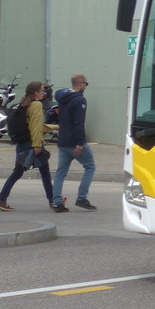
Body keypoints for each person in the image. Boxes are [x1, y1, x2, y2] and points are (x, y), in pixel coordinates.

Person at [0, 82, 55, 211]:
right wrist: (37, 146)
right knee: (44, 173)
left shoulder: (22, 104)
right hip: (32, 144)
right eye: (42, 90)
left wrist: (55, 127)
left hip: (22, 144)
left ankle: (2, 198)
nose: (44, 93)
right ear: (35, 92)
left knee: (18, 172)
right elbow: (35, 128)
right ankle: (53, 201)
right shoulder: (36, 105)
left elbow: (35, 125)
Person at [51, 73, 97, 212]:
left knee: (61, 172)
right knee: (90, 166)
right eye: (86, 84)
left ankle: (57, 202)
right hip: (74, 142)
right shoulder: (80, 100)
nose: (85, 86)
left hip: (63, 140)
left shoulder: (62, 96)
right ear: (81, 83)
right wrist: (80, 143)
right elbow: (79, 123)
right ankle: (81, 198)